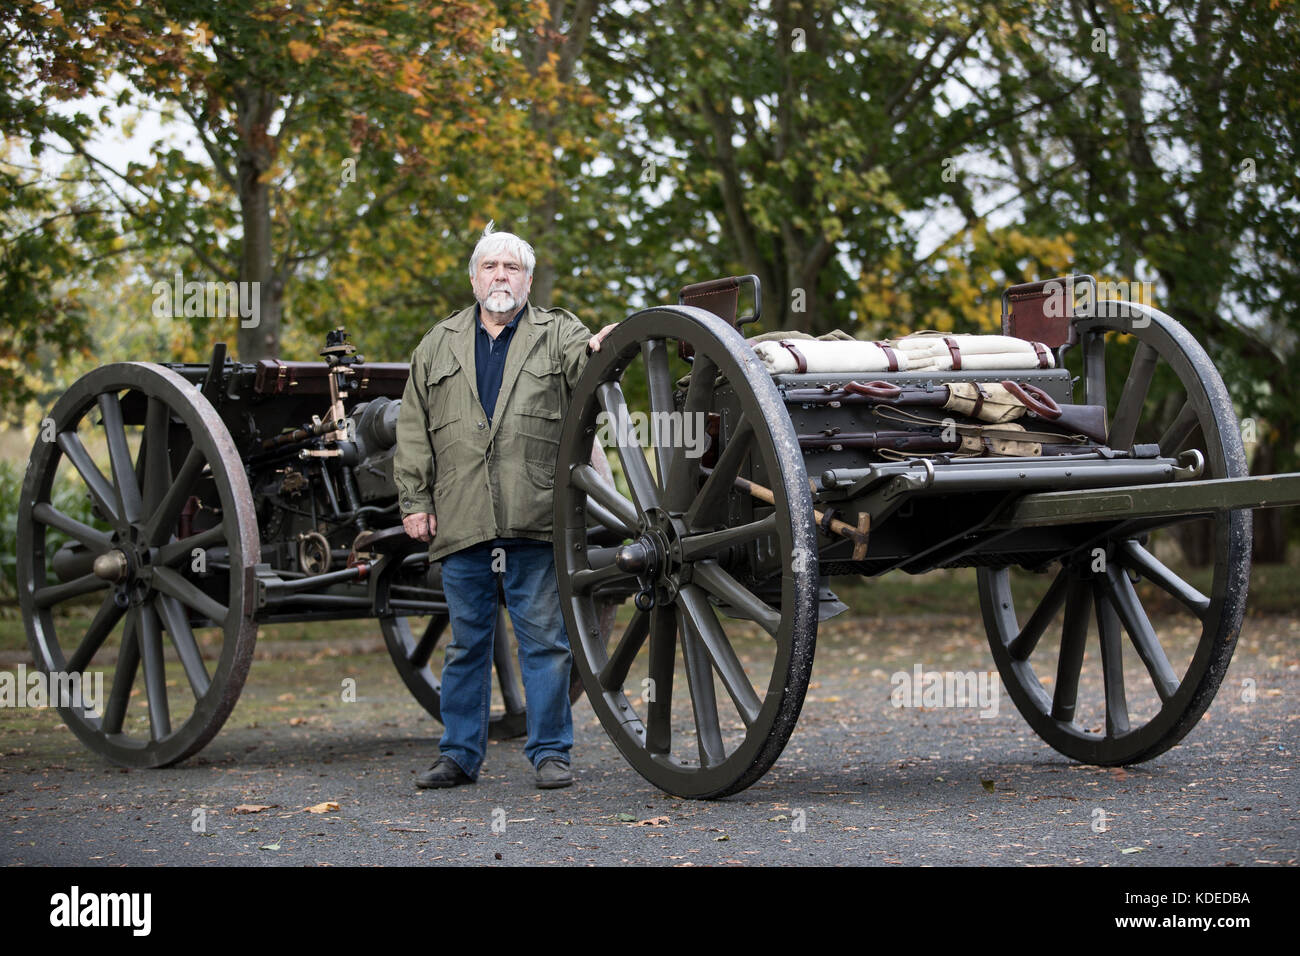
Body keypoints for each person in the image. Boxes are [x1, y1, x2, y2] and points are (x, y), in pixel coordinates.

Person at [393, 222, 616, 790]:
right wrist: (415, 500)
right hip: (463, 515)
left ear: (528, 280)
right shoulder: (435, 345)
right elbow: (414, 429)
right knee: (468, 644)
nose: (500, 276)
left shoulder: (558, 331)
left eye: (511, 268)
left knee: (544, 640)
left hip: (533, 514)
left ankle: (550, 754)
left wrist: (598, 347)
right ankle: (459, 756)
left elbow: (583, 365)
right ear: (473, 280)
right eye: (490, 267)